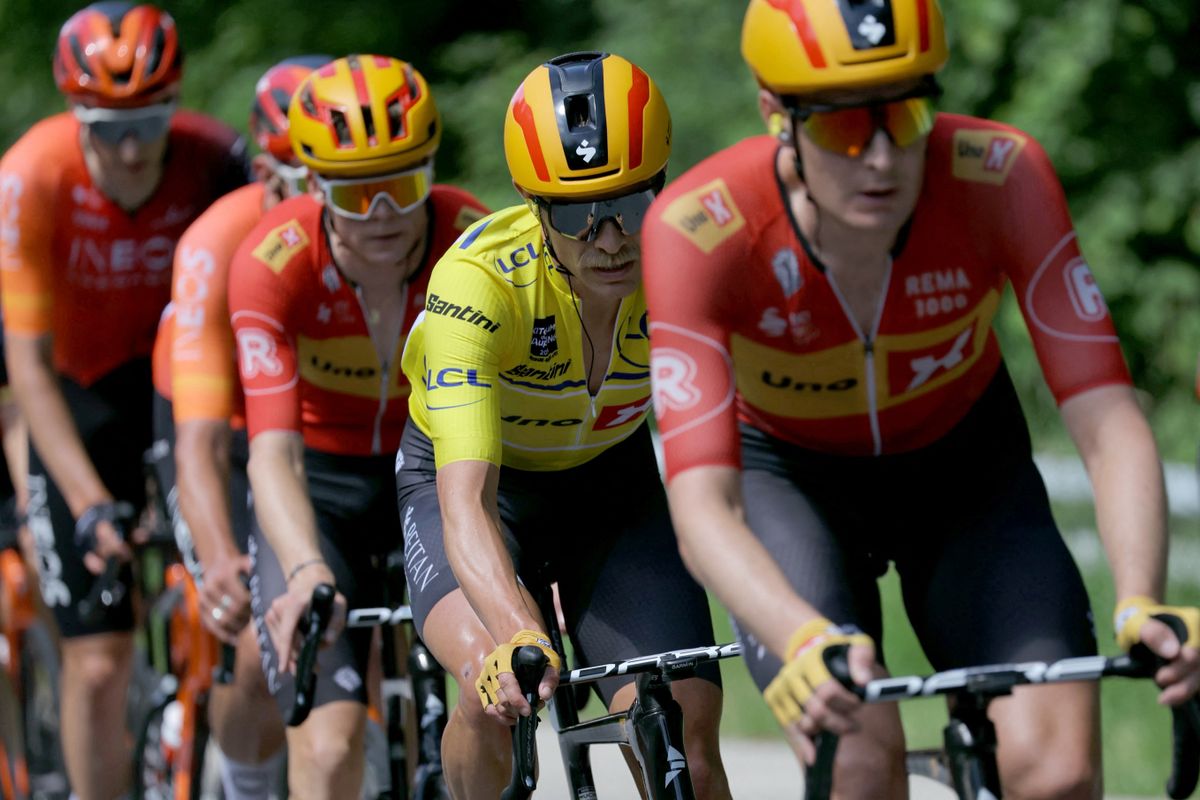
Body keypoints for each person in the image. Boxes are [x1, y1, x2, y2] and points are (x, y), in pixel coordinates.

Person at [641, 1, 1200, 797]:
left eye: (906, 116)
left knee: (1058, 770)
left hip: (966, 474)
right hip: (792, 482)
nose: (880, 158)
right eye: (842, 129)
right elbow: (703, 503)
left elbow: (1108, 419)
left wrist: (1144, 597)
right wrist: (799, 636)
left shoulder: (1000, 176)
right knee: (859, 764)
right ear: (777, 116)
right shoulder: (698, 230)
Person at [395, 51, 732, 799]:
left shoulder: (695, 262)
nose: (609, 238)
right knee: (493, 691)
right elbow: (466, 504)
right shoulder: (478, 284)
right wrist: (517, 632)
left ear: (662, 187)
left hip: (610, 488)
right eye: (578, 215)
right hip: (484, 494)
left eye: (631, 205)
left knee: (685, 734)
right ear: (532, 203)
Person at [0, 3, 247, 798]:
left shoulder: (214, 156)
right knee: (100, 659)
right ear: (76, 117)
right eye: (107, 130)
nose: (134, 149)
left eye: (151, 121)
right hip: (75, 391)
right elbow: (27, 370)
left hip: (185, 385)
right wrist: (86, 505)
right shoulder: (33, 175)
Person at [228, 54, 488, 799]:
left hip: (435, 477)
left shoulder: (470, 240)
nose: (384, 215)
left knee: (490, 699)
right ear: (313, 187)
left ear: (431, 173)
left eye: (403, 186)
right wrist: (306, 567)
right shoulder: (271, 263)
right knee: (332, 742)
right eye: (356, 192)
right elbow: (271, 454)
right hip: (324, 490)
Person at [149, 56, 331, 800]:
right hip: (216, 427)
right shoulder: (213, 246)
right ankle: (248, 785)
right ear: (265, 173)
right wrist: (222, 557)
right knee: (257, 635)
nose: (337, 202)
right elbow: (197, 441)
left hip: (315, 430)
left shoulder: (379, 228)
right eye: (311, 176)